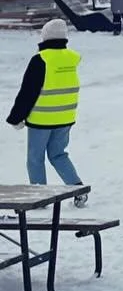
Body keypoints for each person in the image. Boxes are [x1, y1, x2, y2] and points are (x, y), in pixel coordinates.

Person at [7, 18, 85, 196]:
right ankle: (78, 189)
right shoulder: (71, 59)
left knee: (35, 158)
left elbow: (28, 92)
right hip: (65, 117)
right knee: (58, 154)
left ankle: (40, 196)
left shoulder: (41, 59)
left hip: (41, 119)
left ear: (45, 37)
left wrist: (16, 117)